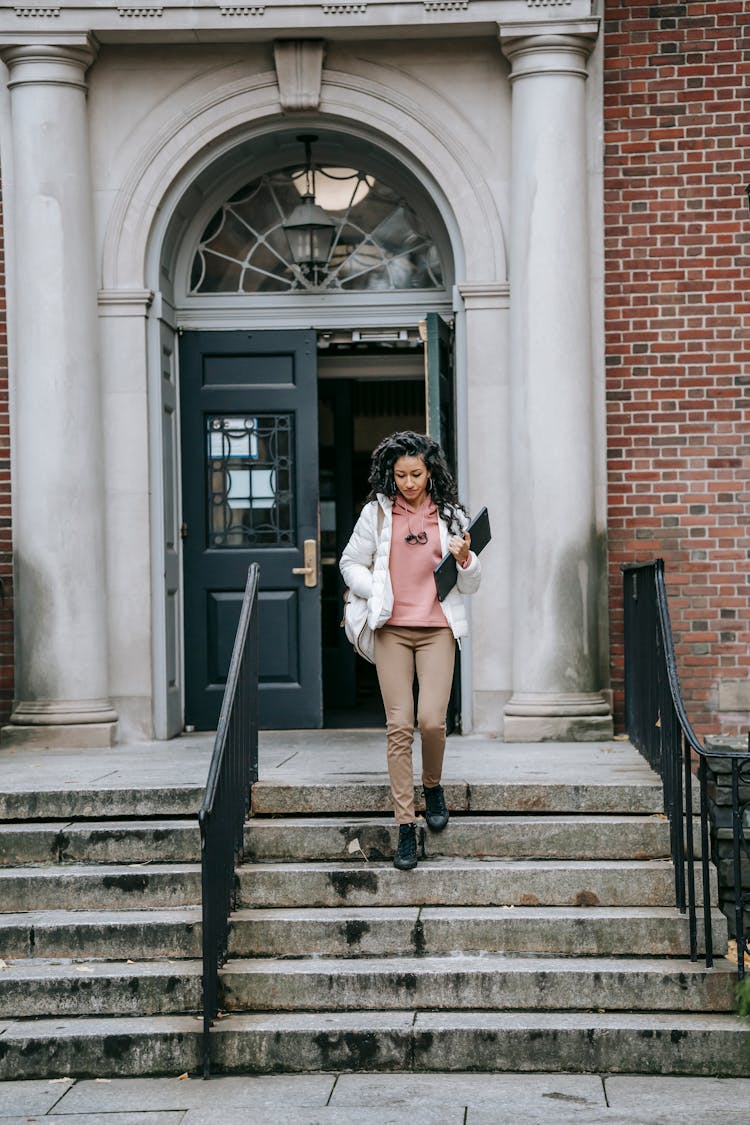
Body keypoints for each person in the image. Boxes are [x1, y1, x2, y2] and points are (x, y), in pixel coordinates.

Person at [339, 431, 481, 870]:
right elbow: (349, 564)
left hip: (438, 628)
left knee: (431, 721)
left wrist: (466, 559)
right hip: (392, 632)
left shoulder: (451, 515)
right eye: (399, 475)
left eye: (416, 473)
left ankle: (433, 785)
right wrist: (376, 589)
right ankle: (406, 825)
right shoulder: (377, 514)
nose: (408, 483)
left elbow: (472, 584)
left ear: (430, 470)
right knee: (399, 725)